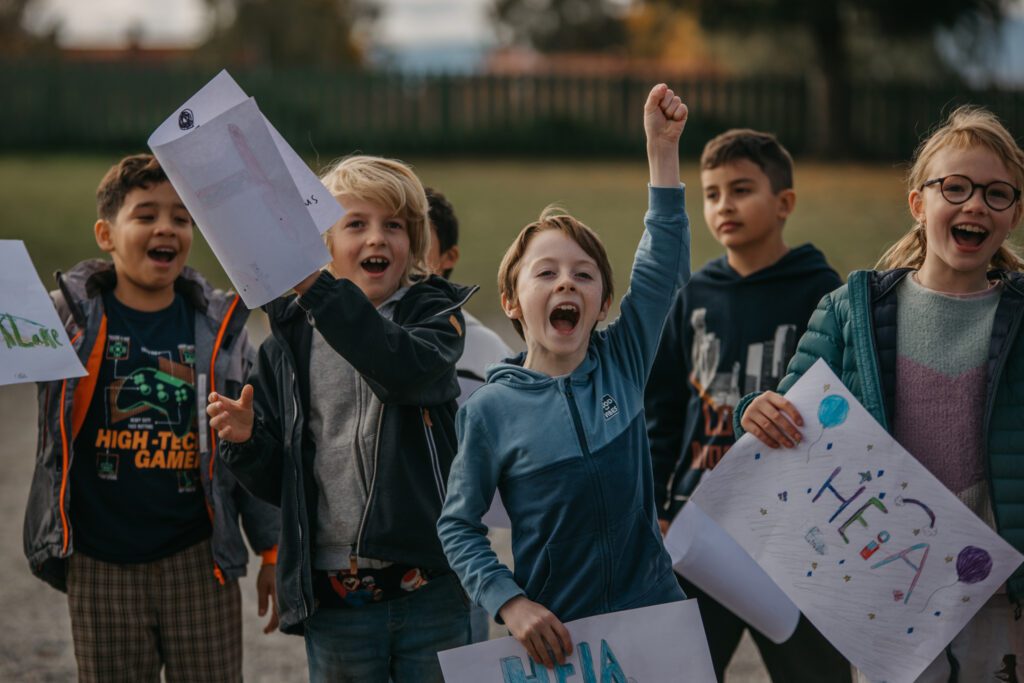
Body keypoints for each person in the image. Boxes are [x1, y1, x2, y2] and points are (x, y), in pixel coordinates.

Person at [737, 106, 1024, 681]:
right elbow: (791, 417)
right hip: (893, 587)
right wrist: (759, 411)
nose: (974, 205)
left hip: (1000, 589)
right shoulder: (853, 312)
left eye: (997, 194)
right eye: (956, 188)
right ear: (919, 204)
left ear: (1014, 214)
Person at [437, 83, 689, 669]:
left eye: (583, 273)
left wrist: (662, 152)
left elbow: (662, 265)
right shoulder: (489, 410)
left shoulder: (622, 360)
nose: (566, 283)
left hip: (655, 618)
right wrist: (511, 603)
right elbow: (458, 527)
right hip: (562, 644)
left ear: (602, 303)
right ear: (512, 301)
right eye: (545, 272)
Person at [207, 155, 476, 683]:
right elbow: (281, 486)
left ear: (415, 243)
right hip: (335, 600)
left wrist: (319, 290)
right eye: (356, 224)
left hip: (432, 588)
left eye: (393, 225)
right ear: (322, 244)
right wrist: (244, 443)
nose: (376, 238)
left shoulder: (436, 317)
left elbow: (402, 370)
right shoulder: (287, 342)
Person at [23, 153, 280, 683]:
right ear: (106, 234)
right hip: (98, 561)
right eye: (145, 215)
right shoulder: (62, 319)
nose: (166, 227)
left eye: (181, 218)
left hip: (197, 558)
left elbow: (249, 443)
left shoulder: (222, 331)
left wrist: (273, 547)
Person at [644, 129, 850, 681]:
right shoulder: (693, 295)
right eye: (711, 194)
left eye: (741, 189)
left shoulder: (822, 294)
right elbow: (662, 411)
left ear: (784, 204)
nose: (723, 205)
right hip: (697, 527)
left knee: (815, 674)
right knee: (681, 672)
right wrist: (658, 506)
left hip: (792, 534)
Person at [424, 186, 514, 643]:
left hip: (453, 570)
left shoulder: (483, 351)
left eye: (415, 238)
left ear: (448, 256)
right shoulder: (351, 334)